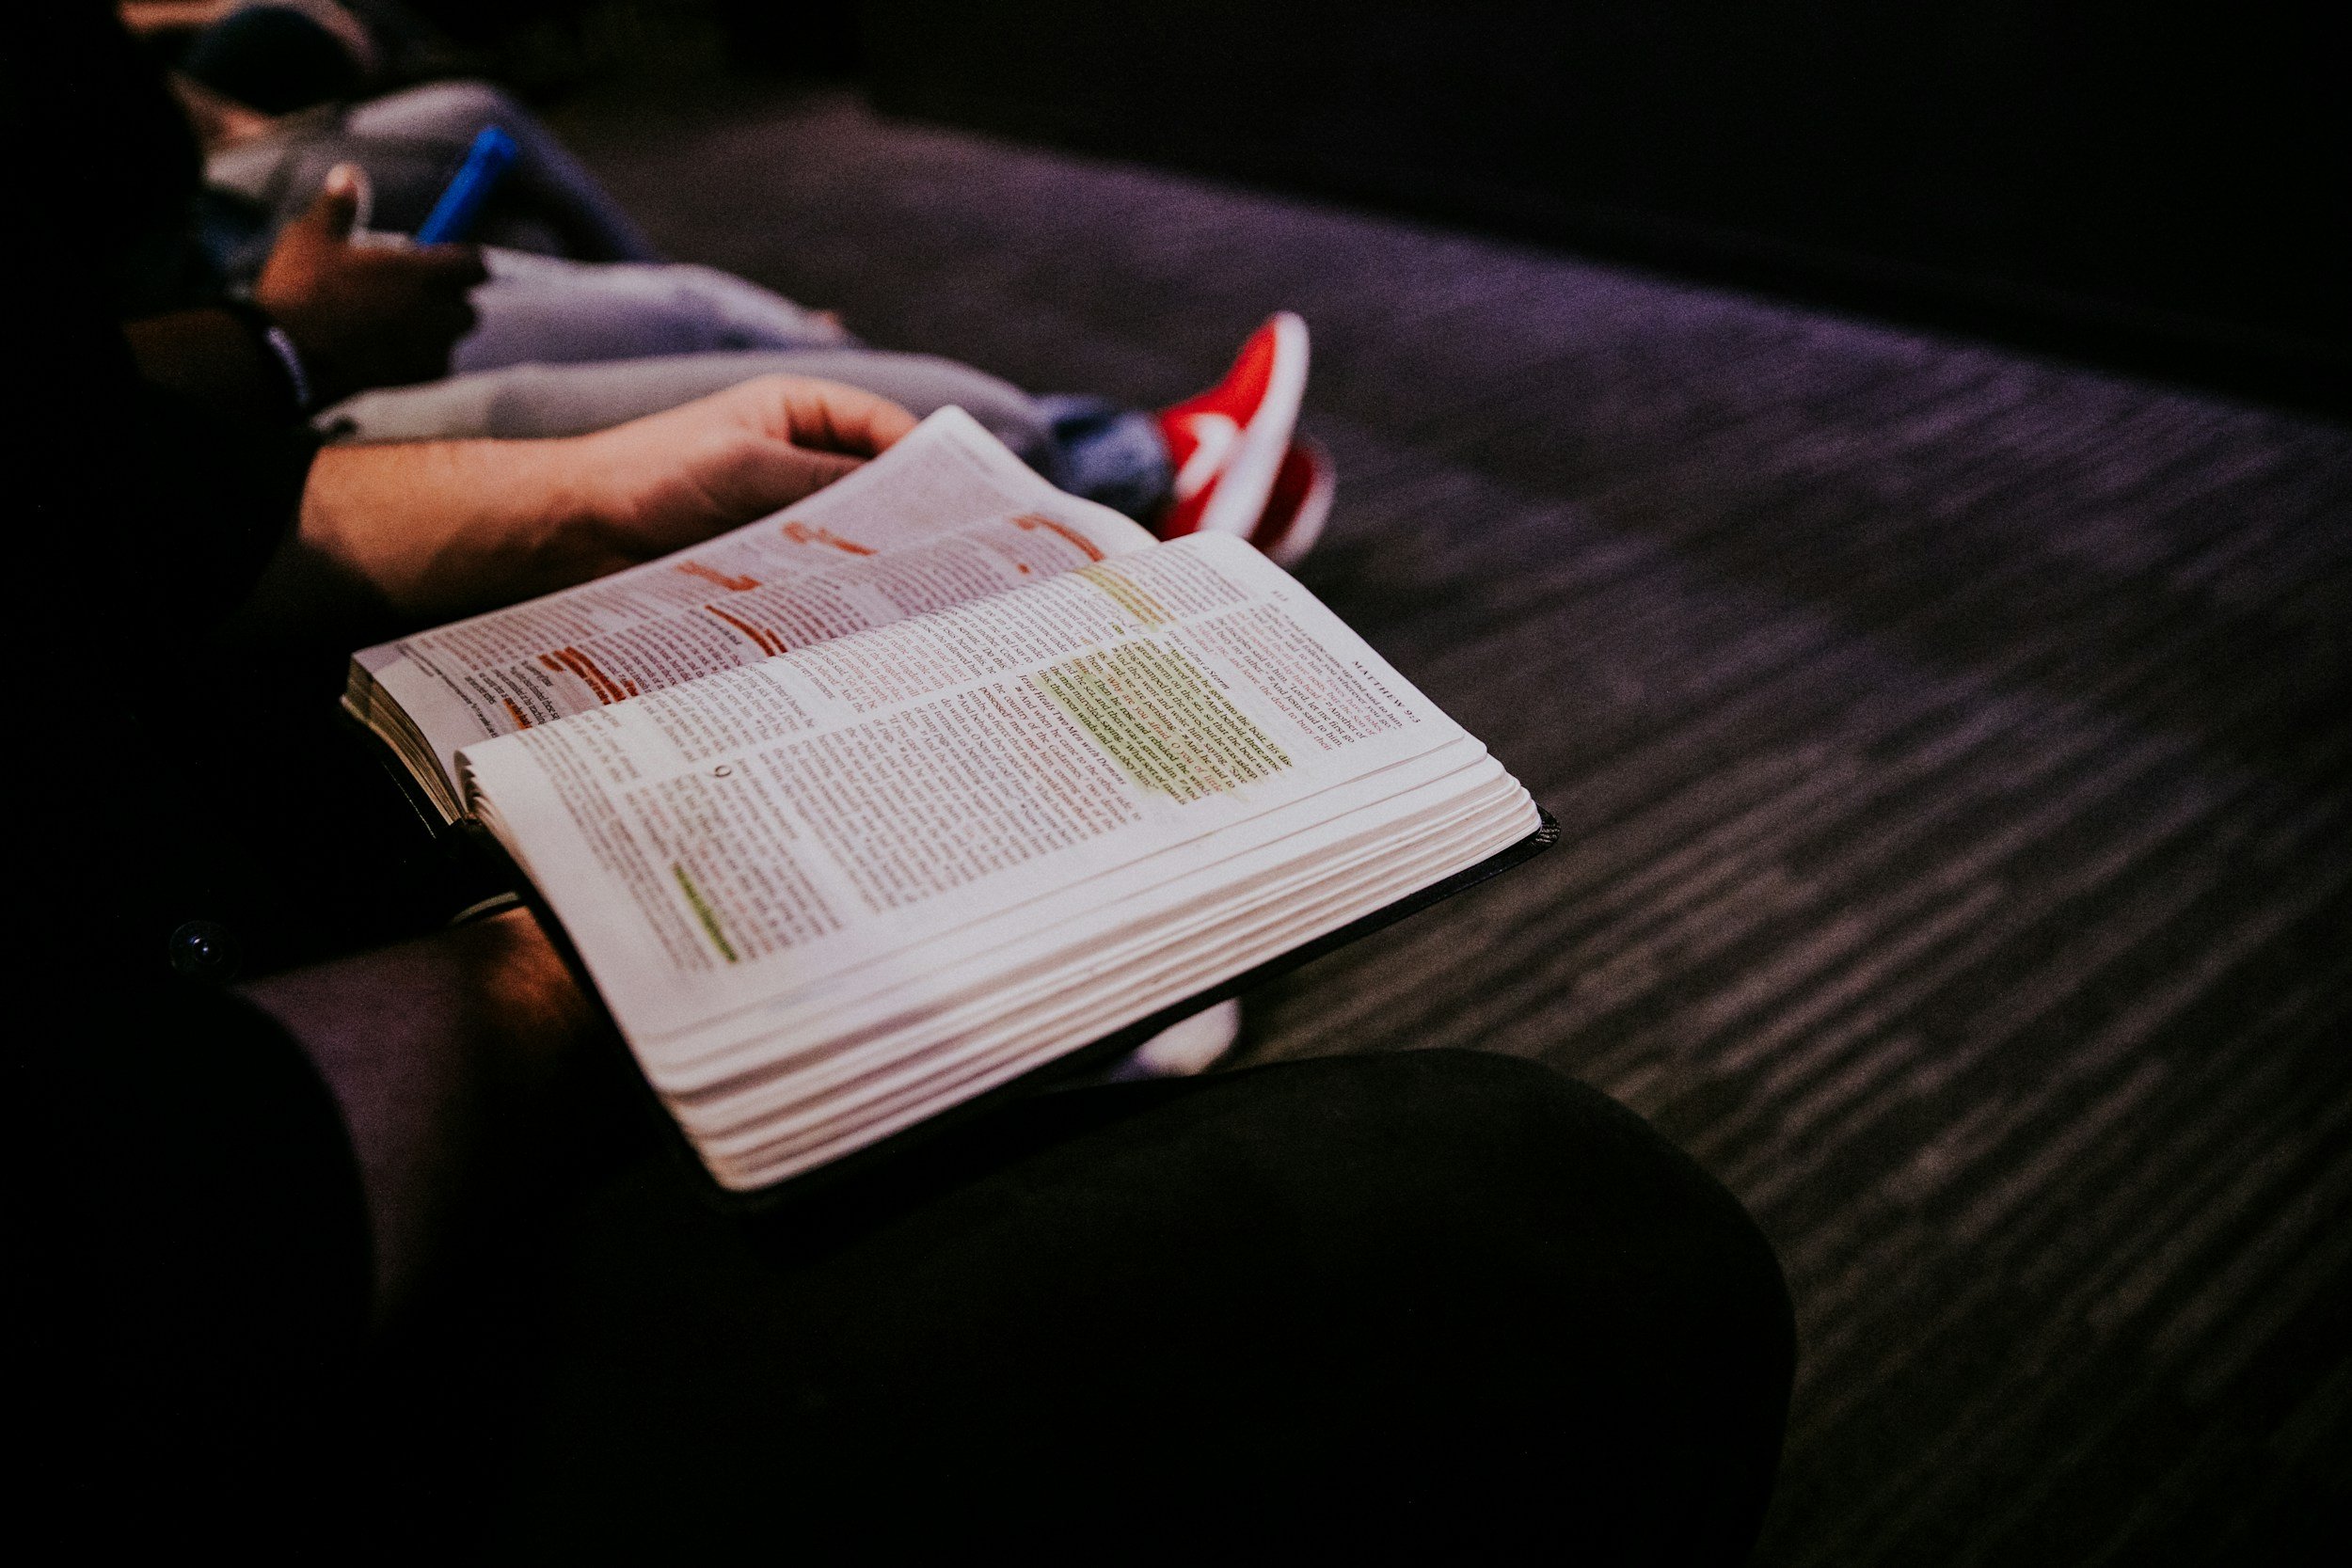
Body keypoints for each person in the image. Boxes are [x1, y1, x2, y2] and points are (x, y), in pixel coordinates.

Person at [5, 8, 1793, 1557]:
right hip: (229, 1286)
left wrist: (586, 492)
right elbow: (138, 1233)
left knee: (787, 410)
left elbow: (78, 469)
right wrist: (599, 965)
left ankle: (1130, 525)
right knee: (1577, 1249)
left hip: (190, 838)